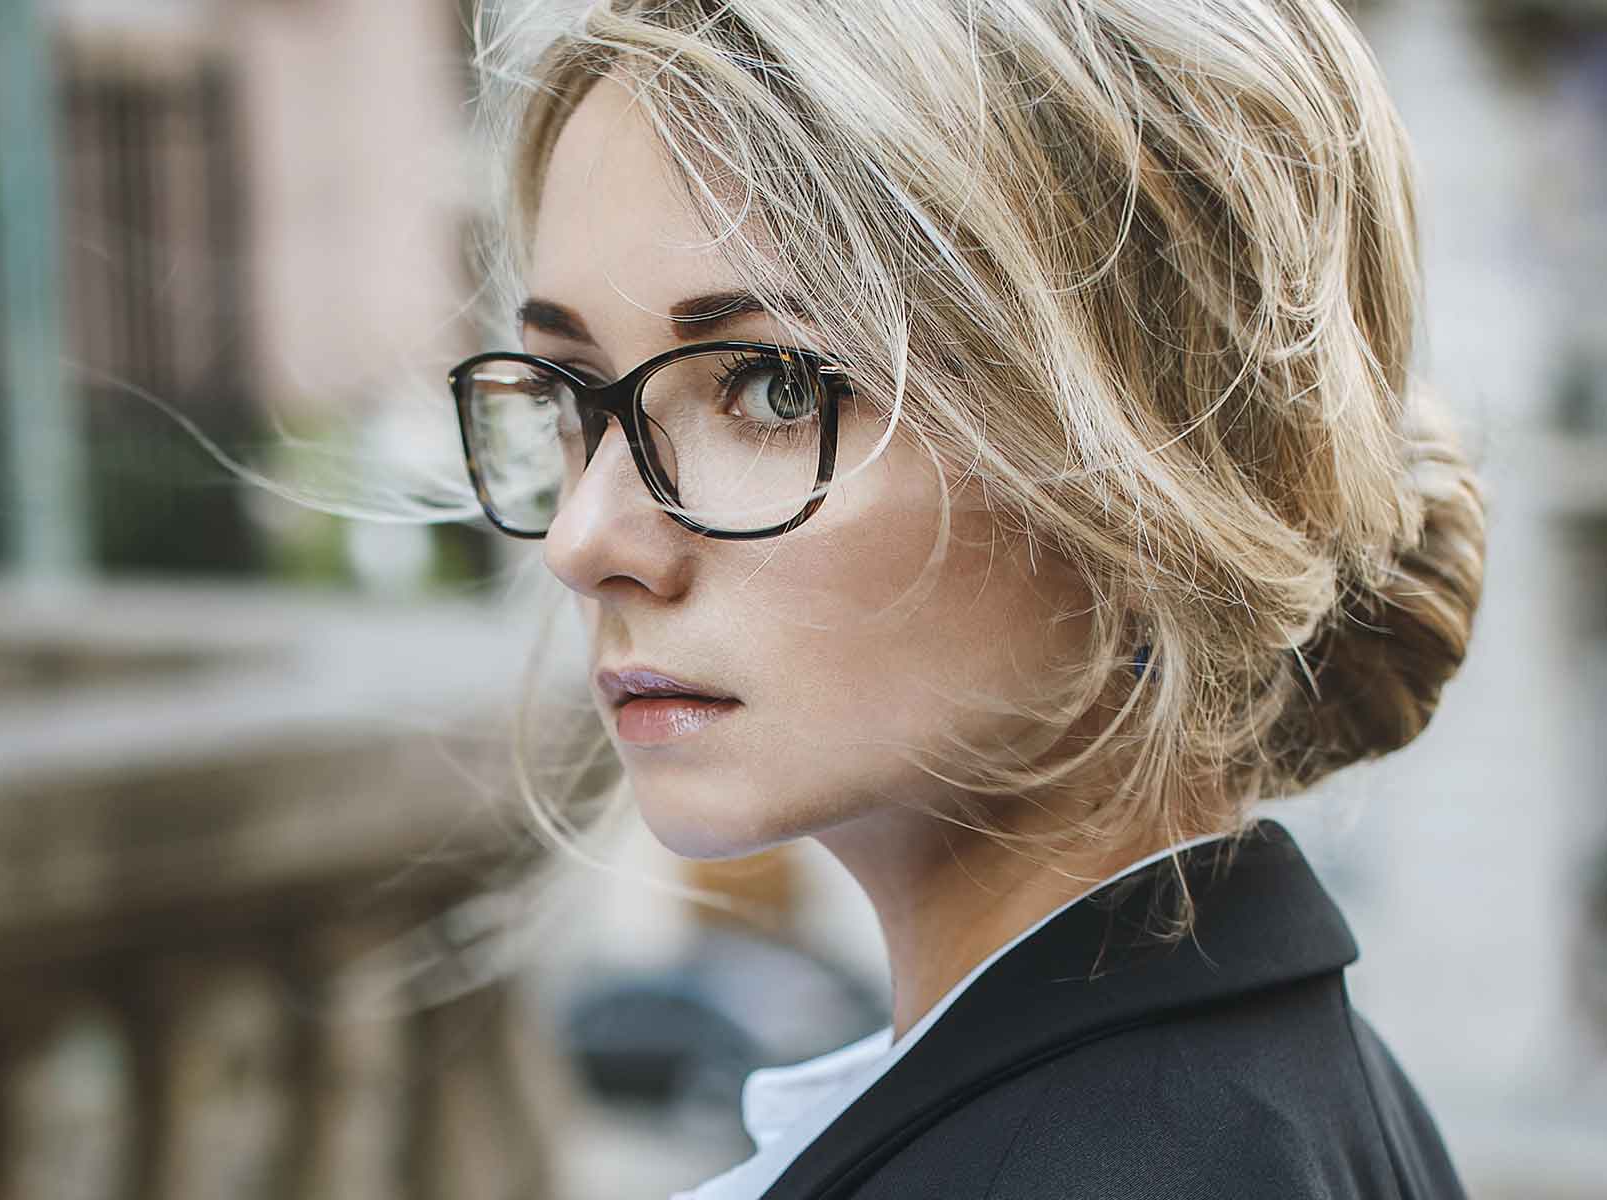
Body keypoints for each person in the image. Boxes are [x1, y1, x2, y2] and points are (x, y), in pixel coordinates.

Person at [446, 0, 1487, 1195]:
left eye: (777, 388)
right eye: (575, 397)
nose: (583, 540)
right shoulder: (1278, 1084)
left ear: (1153, 452)